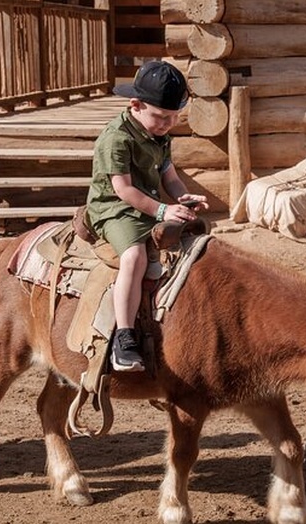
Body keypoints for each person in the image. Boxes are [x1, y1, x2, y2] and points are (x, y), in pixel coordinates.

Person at [86, 60, 208, 372]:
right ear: (135, 105)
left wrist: (182, 197)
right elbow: (123, 189)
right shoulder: (116, 138)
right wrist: (164, 210)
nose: (168, 123)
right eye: (161, 116)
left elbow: (170, 177)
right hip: (115, 209)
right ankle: (124, 338)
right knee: (134, 257)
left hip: (149, 205)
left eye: (174, 116)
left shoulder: (159, 135)